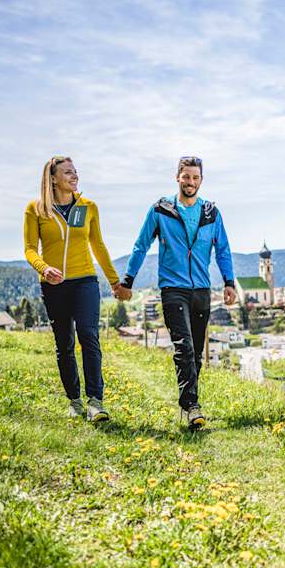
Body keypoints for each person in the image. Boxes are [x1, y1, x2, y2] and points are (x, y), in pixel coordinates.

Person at [119, 156, 236, 430]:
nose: (190, 182)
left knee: (195, 352)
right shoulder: (161, 209)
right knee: (183, 347)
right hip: (173, 288)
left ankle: (190, 403)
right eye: (186, 177)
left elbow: (223, 249)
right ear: (177, 177)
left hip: (202, 289)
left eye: (195, 178)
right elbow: (140, 245)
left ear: (201, 181)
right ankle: (192, 406)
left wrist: (229, 282)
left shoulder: (211, 213)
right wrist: (128, 280)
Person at [24, 156, 126, 422]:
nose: (74, 176)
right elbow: (30, 249)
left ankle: (95, 401)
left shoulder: (88, 206)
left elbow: (98, 245)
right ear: (53, 178)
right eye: (67, 172)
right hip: (54, 285)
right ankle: (75, 400)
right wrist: (44, 268)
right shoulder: (36, 209)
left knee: (89, 336)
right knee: (64, 343)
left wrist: (115, 281)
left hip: (85, 281)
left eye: (75, 171)